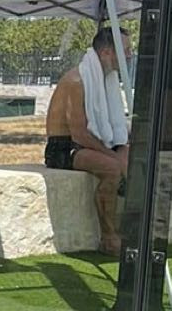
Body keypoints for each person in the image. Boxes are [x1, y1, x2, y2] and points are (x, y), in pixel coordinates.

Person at [44, 28, 128, 252]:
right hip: (64, 148)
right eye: (126, 50)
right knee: (112, 168)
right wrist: (113, 157)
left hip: (86, 143)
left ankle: (132, 230)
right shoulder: (77, 81)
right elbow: (79, 134)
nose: (130, 55)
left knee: (134, 157)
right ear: (107, 52)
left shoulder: (105, 78)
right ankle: (109, 237)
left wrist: (121, 151)